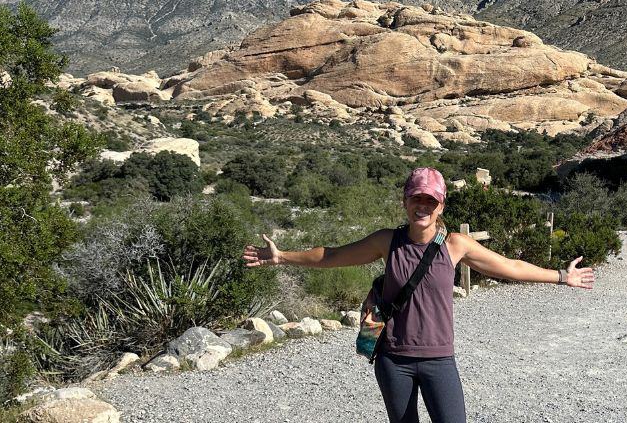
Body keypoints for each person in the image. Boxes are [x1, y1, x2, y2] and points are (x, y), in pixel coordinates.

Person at [242, 166, 595, 423]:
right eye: (416, 198)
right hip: (393, 360)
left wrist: (561, 276)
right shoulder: (387, 241)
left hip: (439, 359)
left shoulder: (455, 245)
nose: (422, 206)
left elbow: (510, 267)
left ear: (440, 205)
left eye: (430, 200)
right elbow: (333, 255)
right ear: (406, 202)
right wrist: (281, 257)